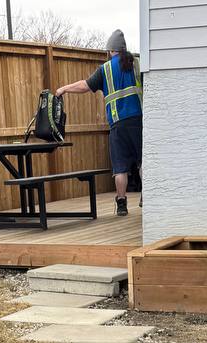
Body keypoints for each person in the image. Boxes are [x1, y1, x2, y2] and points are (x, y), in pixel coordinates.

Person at [55, 30, 142, 217]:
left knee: (120, 167)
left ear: (111, 50)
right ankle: (148, 197)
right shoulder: (137, 64)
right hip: (140, 121)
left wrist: (64, 89)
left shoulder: (106, 69)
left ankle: (121, 203)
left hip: (118, 124)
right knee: (144, 162)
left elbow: (84, 85)